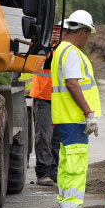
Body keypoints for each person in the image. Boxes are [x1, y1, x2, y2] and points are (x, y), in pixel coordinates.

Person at [50, 10, 101, 208]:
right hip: (74, 119)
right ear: (81, 31)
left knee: (67, 167)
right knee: (75, 168)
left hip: (67, 118)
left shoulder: (61, 50)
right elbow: (72, 83)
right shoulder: (71, 52)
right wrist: (88, 113)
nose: (87, 39)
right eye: (87, 34)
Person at [30, 23, 67, 186]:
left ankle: (54, 172)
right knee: (44, 136)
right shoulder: (41, 47)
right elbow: (38, 63)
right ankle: (43, 172)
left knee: (57, 138)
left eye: (60, 32)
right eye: (55, 31)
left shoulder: (66, 50)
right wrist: (49, 46)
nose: (57, 34)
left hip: (60, 97)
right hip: (43, 95)